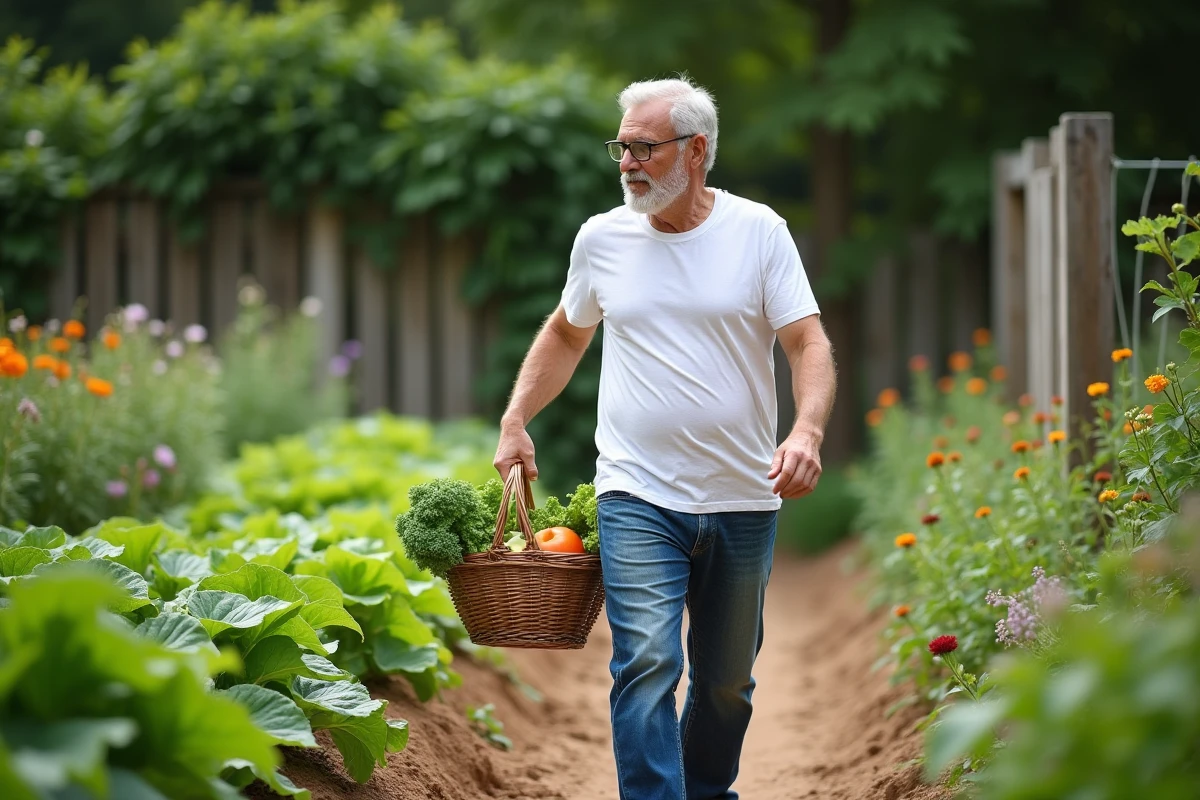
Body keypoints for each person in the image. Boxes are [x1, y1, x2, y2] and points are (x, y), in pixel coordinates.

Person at [493, 76, 837, 800]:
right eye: (621, 146)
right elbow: (565, 331)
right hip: (636, 491)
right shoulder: (602, 238)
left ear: (697, 149)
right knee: (647, 662)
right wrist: (516, 417)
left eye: (644, 147)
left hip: (744, 493)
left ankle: (709, 792)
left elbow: (806, 342)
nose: (627, 162)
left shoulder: (758, 231)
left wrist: (805, 430)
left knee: (726, 685)